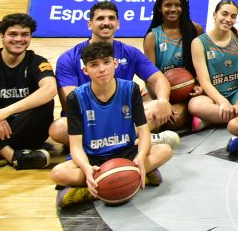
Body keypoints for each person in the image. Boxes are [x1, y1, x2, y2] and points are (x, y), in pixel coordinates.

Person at [52, 41, 174, 208]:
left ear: (115, 63)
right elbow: (75, 146)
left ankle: (95, 188)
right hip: (93, 157)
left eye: (106, 62)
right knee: (58, 173)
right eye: (94, 65)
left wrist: (140, 156)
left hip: (125, 152)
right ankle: (135, 178)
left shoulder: (130, 89)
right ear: (85, 70)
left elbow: (144, 132)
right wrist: (86, 168)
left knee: (165, 150)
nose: (102, 69)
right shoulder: (76, 98)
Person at [48, 1, 175, 147]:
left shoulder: (130, 52)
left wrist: (163, 101)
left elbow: (159, 79)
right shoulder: (68, 58)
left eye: (111, 18)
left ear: (118, 24)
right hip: (88, 118)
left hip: (121, 115)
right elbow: (72, 101)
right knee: (58, 129)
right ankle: (134, 139)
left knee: (157, 106)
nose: (106, 23)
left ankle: (104, 144)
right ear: (90, 24)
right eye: (100, 18)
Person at [0, 13, 56, 179]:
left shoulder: (37, 62)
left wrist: (5, 112)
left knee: (46, 101)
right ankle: (13, 156)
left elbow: (50, 88)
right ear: (2, 36)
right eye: (13, 34)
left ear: (30, 37)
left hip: (26, 134)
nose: (19, 39)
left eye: (25, 34)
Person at [142, 0, 203, 130]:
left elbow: (204, 64)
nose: (173, 9)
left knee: (173, 119)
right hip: (161, 91)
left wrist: (199, 85)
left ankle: (198, 113)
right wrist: (162, 100)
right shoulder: (152, 37)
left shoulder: (196, 30)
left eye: (177, 5)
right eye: (168, 5)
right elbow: (149, 77)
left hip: (189, 91)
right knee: (150, 115)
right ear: (159, 8)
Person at [187, 0, 238, 132]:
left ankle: (211, 119)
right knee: (194, 105)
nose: (228, 19)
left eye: (233, 16)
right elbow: (204, 81)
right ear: (215, 15)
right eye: (224, 14)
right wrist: (223, 102)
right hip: (213, 95)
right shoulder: (198, 42)